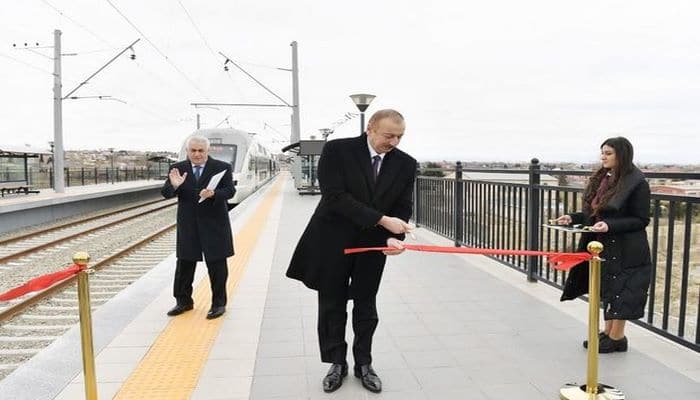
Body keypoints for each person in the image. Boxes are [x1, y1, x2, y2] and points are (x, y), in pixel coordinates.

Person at [286, 109, 417, 393]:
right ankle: (336, 363)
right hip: (333, 242)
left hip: (373, 245)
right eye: (388, 135)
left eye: (400, 136)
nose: (394, 142)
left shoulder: (407, 164)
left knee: (366, 305)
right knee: (332, 304)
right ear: (370, 128)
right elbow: (334, 197)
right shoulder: (337, 150)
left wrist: (395, 235)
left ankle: (364, 364)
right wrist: (383, 221)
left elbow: (402, 205)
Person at [556, 136, 651, 353]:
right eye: (602, 153)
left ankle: (617, 337)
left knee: (624, 291)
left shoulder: (637, 183)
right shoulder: (605, 179)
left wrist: (609, 226)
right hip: (605, 244)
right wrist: (573, 217)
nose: (603, 157)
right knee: (609, 289)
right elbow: (595, 214)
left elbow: (641, 220)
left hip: (628, 247)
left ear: (622, 155)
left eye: (608, 153)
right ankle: (608, 334)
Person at [161, 135, 235, 320]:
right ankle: (183, 301)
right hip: (189, 224)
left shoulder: (222, 168)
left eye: (201, 151)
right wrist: (175, 186)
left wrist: (214, 194)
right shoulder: (177, 169)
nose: (197, 154)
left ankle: (219, 304)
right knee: (184, 264)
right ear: (187, 151)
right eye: (193, 150)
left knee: (217, 265)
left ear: (207, 151)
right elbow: (165, 193)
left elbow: (230, 191)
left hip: (215, 224)